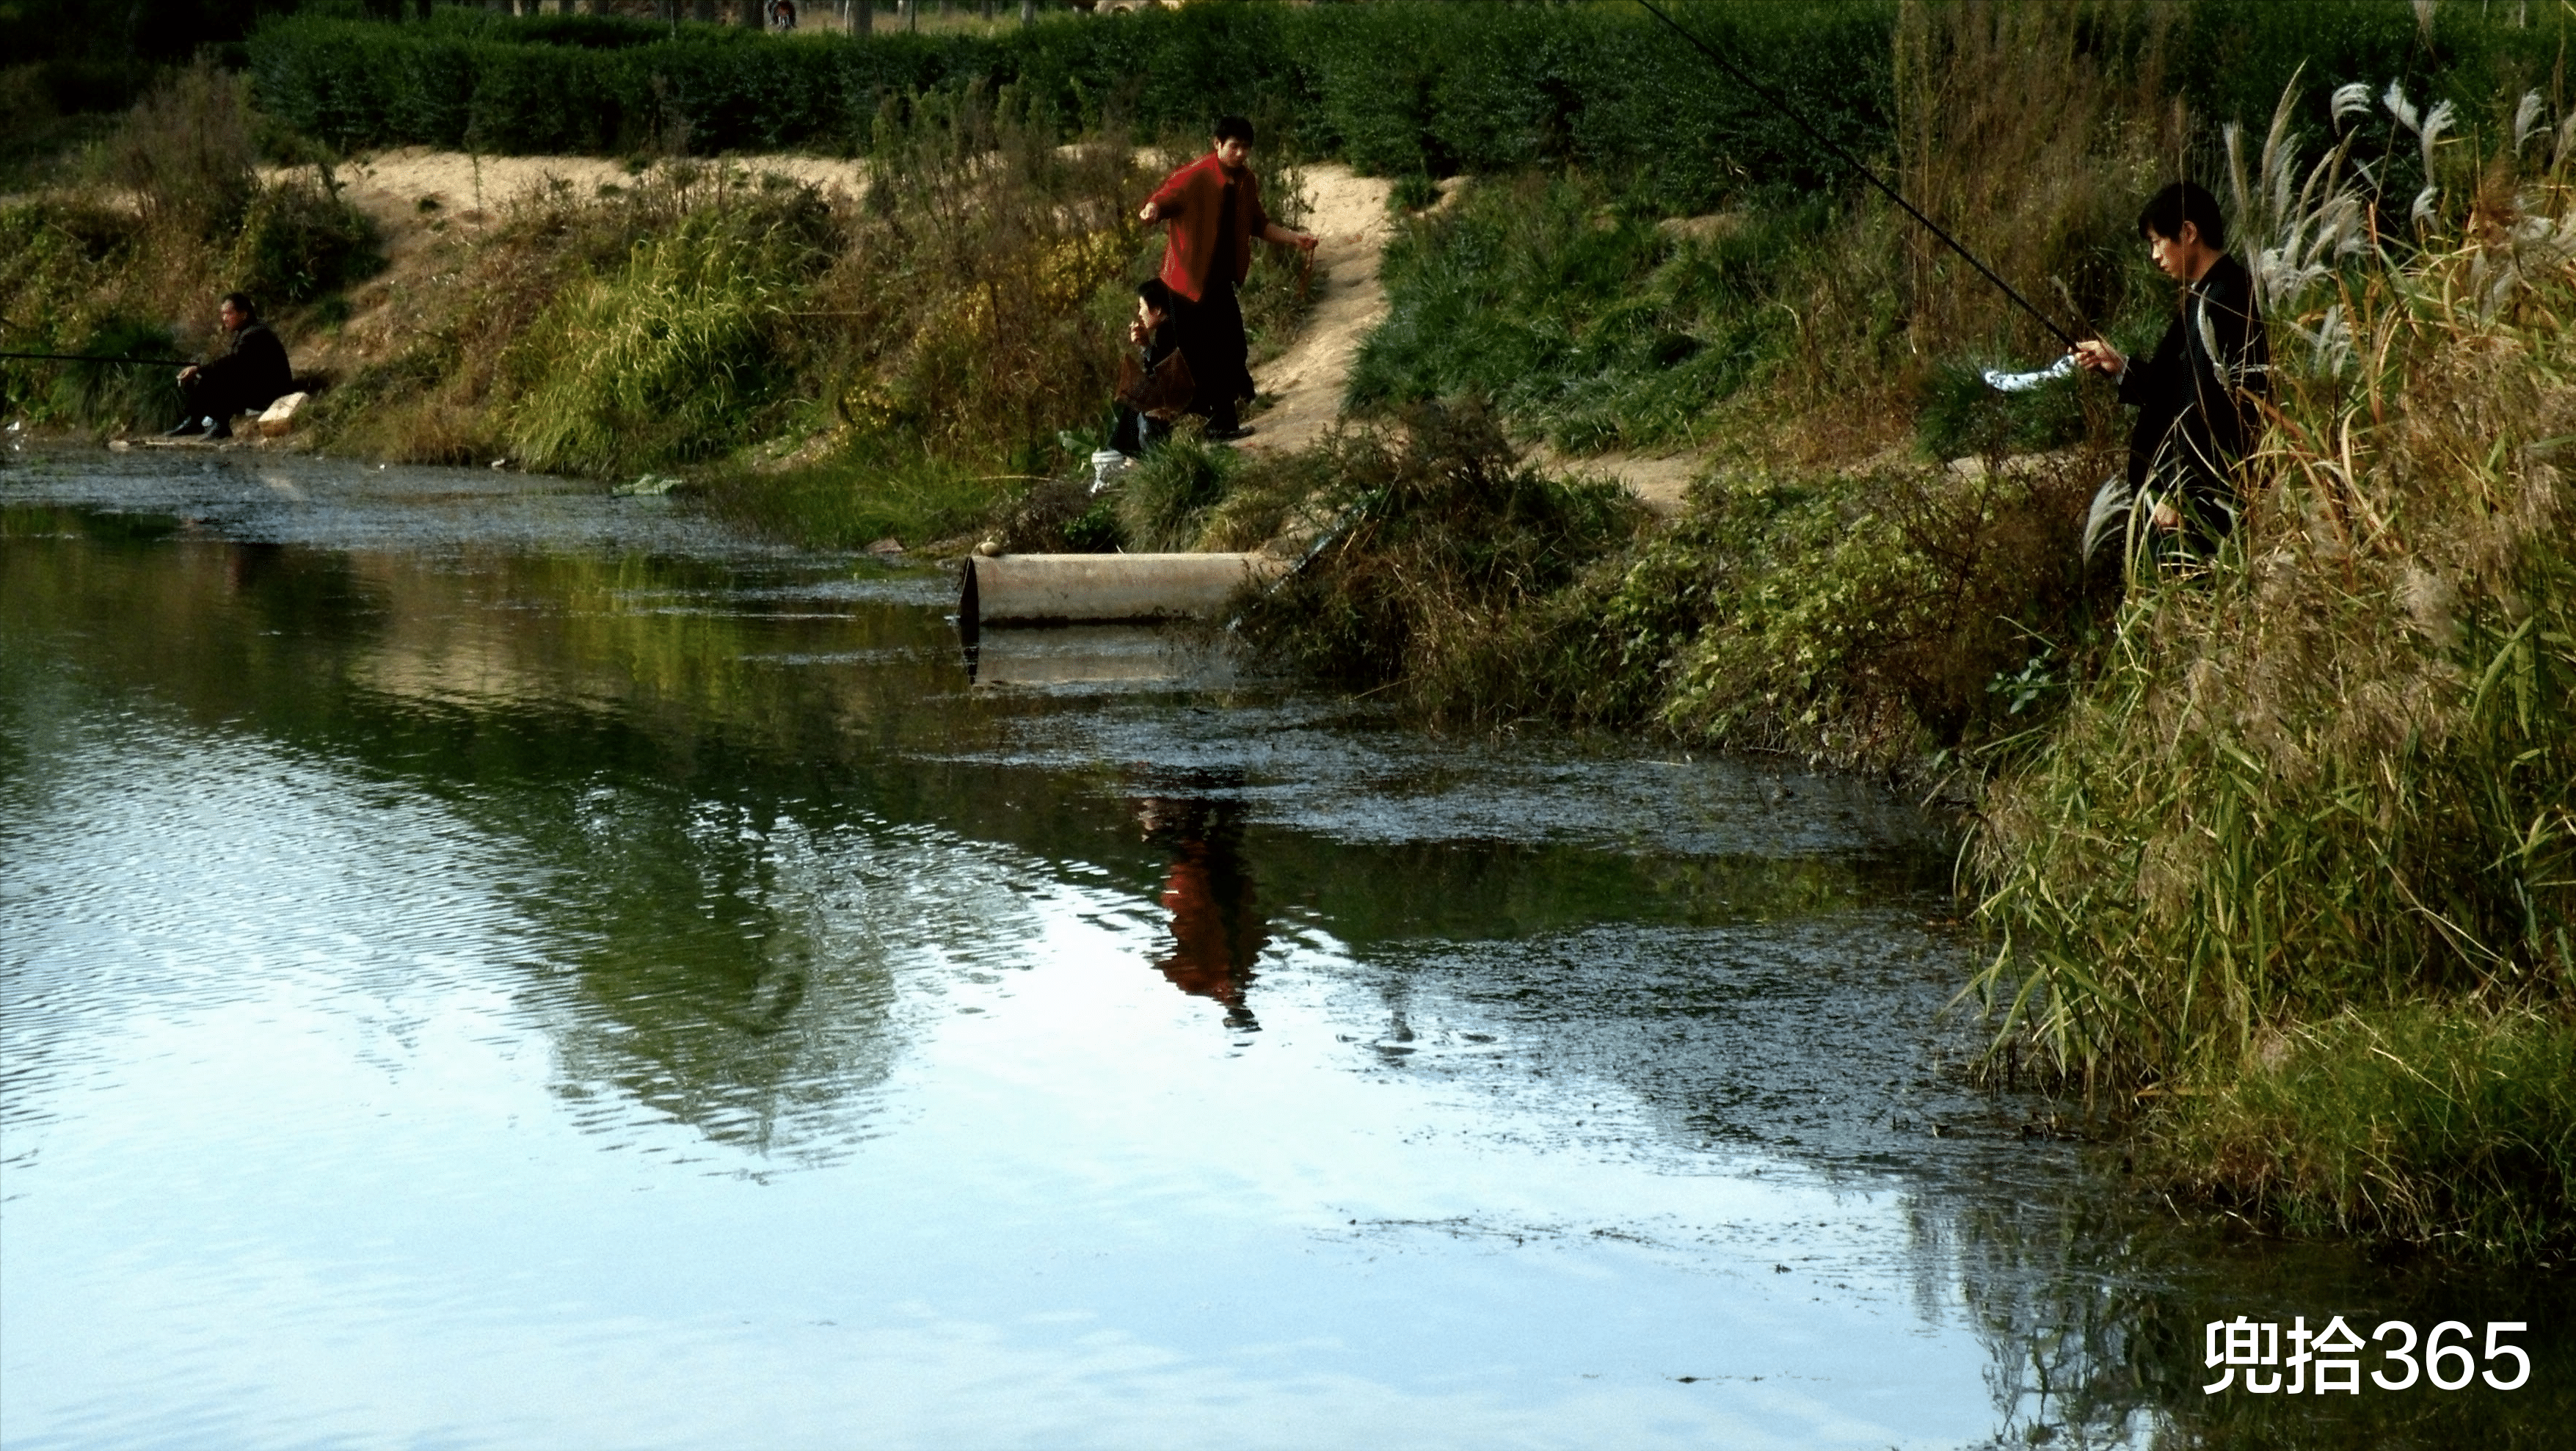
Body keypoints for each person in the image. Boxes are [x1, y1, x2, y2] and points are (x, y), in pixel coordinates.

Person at [2071, 181, 2270, 566]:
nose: (2154, 255)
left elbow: (2216, 407)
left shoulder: (2223, 297)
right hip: (2195, 500)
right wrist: (2121, 366)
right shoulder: (2207, 293)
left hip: (2205, 505)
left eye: (2157, 241)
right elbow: (2179, 386)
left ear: (2188, 232)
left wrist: (2182, 493)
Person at [1137, 114, 1317, 440]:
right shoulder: (1195, 175)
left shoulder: (1247, 181)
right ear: (1217, 144)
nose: (1241, 154)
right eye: (1234, 147)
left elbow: (1259, 225)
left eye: (1246, 148)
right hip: (1185, 284)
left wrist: (1295, 238)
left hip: (1219, 282)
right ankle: (1212, 424)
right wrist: (1153, 210)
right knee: (1202, 357)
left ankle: (1212, 419)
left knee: (1234, 349)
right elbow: (1165, 196)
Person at [167, 292, 291, 440]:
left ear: (244, 314)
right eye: (223, 314)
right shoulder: (249, 331)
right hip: (262, 385)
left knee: (219, 376)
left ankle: (216, 425)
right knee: (216, 374)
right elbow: (236, 363)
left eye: (228, 313)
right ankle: (199, 421)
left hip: (272, 391)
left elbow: (234, 362)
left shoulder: (255, 334)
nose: (224, 318)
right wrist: (202, 370)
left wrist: (199, 370)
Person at [1110, 277, 1193, 458]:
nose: (1140, 314)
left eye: (1141, 307)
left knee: (1135, 396)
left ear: (1156, 310)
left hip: (1190, 399)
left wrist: (1146, 348)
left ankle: (1125, 454)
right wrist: (1145, 346)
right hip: (1183, 395)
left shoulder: (1171, 332)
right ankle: (1123, 452)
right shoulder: (1168, 330)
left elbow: (1165, 375)